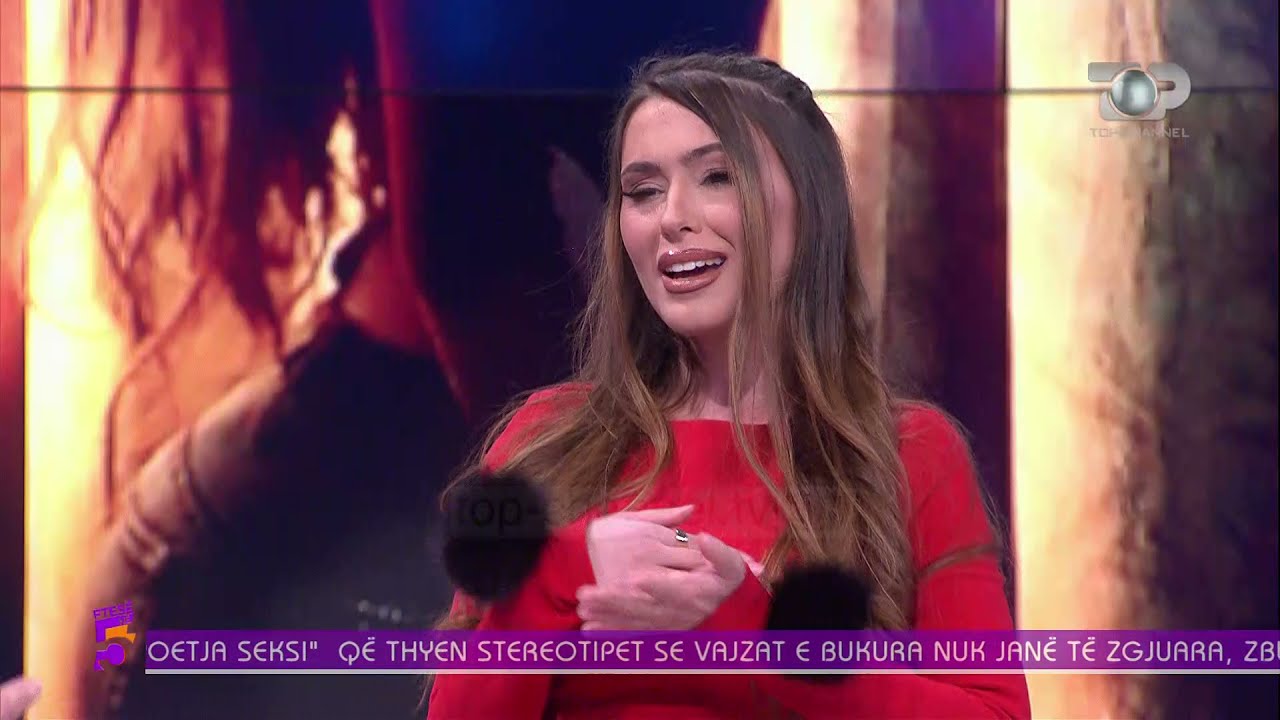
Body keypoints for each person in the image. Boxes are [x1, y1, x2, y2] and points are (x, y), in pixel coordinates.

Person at [425, 53, 1032, 719]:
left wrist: (754, 640)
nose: (671, 217)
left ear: (810, 207)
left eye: (718, 177)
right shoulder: (546, 439)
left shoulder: (910, 453)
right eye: (643, 191)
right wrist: (557, 575)